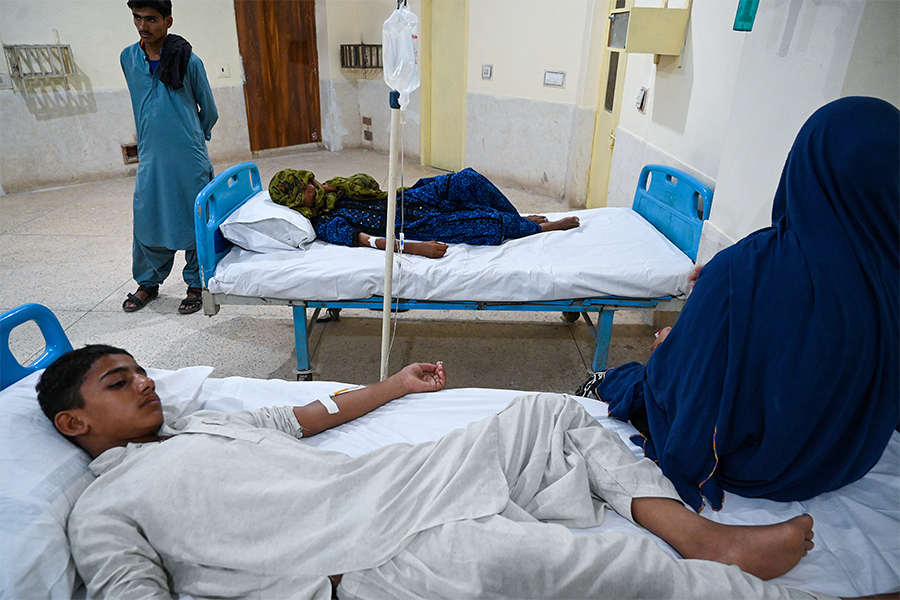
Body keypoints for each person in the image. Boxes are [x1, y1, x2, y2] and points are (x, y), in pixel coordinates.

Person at [37, 345, 830, 599]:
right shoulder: (103, 511)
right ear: (74, 424)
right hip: (362, 563)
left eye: (140, 371)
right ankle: (724, 581)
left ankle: (702, 537)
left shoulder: (197, 421)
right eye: (120, 383)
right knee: (587, 565)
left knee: (550, 413)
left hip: (400, 481)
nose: (145, 383)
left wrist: (392, 387)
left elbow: (301, 417)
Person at [581, 97, 900, 513]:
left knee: (622, 377)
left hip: (754, 467)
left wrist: (678, 336)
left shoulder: (746, 270)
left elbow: (690, 399)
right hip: (841, 463)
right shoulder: (888, 283)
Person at [120, 0, 218, 315]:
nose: (142, 26)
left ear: (168, 21)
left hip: (188, 156)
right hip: (150, 155)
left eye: (151, 19)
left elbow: (209, 110)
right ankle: (148, 282)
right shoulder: (128, 58)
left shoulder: (189, 62)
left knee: (193, 218)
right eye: (137, 18)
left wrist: (191, 138)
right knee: (147, 215)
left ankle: (195, 282)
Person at [268, 167, 580, 258]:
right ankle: (543, 228)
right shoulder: (323, 222)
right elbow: (366, 240)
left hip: (408, 196)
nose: (310, 186)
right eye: (302, 188)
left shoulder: (334, 189)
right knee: (484, 223)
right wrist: (416, 248)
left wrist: (329, 187)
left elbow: (370, 183)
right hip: (412, 223)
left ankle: (519, 218)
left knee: (466, 180)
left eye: (307, 179)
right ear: (294, 200)